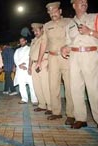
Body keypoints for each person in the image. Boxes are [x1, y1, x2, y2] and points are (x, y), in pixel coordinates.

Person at [36, 2, 75, 125]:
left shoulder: (69, 22)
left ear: (60, 11)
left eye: (55, 11)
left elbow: (75, 38)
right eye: (50, 12)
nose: (53, 13)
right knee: (53, 86)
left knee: (69, 86)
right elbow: (43, 44)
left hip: (67, 57)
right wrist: (39, 61)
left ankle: (71, 114)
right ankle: (56, 112)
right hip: (52, 58)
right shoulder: (47, 25)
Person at [61, 0, 98, 129]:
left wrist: (90, 32)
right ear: (74, 5)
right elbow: (68, 42)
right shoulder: (69, 24)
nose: (84, 3)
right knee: (75, 89)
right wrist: (65, 48)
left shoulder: (95, 17)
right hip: (74, 56)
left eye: (85, 1)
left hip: (90, 55)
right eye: (80, 1)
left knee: (94, 89)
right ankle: (80, 118)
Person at [28, 23, 52, 115]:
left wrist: (49, 63)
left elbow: (50, 52)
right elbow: (30, 55)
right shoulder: (34, 40)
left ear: (42, 30)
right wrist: (30, 66)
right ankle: (42, 105)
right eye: (34, 31)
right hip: (34, 64)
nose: (35, 32)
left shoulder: (46, 38)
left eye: (37, 30)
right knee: (37, 86)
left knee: (45, 85)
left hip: (43, 63)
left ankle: (50, 106)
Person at [14, 36, 37, 105]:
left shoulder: (30, 49)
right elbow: (15, 59)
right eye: (20, 41)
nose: (21, 42)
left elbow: (31, 58)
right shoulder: (17, 50)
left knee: (32, 85)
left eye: (23, 41)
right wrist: (19, 65)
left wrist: (26, 65)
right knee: (21, 85)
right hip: (20, 70)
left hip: (28, 69)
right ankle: (24, 99)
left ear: (26, 41)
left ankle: (34, 100)